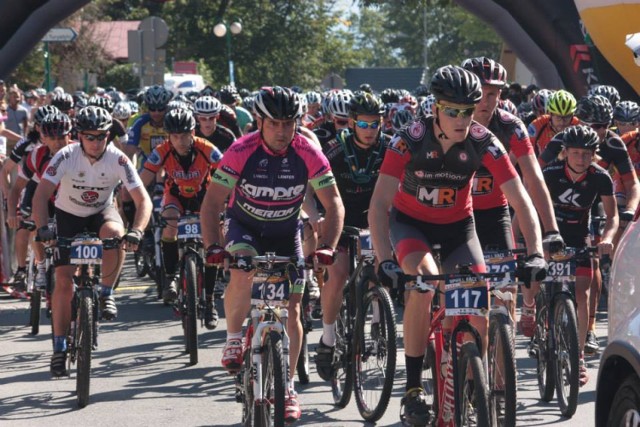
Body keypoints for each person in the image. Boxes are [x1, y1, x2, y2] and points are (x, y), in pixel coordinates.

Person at [368, 66, 546, 425]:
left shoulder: (484, 140)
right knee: (423, 286)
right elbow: (379, 204)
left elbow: (521, 200)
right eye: (452, 110)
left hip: (459, 229)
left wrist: (537, 251)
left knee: (476, 305)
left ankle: (468, 383)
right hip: (411, 225)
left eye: (468, 110)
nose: (461, 119)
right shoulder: (409, 140)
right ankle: (415, 388)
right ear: (435, 108)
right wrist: (384, 259)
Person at [200, 86, 344, 423]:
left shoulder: (308, 151)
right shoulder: (240, 150)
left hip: (284, 233)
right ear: (260, 122)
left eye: (288, 123)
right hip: (244, 228)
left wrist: (327, 247)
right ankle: (234, 338)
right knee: (242, 268)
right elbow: (212, 201)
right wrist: (212, 246)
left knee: (292, 310)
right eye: (274, 123)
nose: (281, 131)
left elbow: (333, 203)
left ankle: (288, 386)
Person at [33, 106, 152, 377]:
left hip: (101, 212)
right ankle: (59, 346)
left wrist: (138, 231)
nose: (96, 142)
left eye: (101, 137)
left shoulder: (117, 159)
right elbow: (41, 196)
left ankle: (107, 293)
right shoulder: (65, 155)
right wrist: (43, 228)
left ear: (108, 136)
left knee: (115, 233)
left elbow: (142, 199)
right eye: (90, 137)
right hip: (68, 215)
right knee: (63, 281)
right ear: (79, 136)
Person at [461, 57, 564, 335]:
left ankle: (502, 366)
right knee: (455, 304)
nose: (485, 100)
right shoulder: (450, 124)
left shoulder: (512, 126)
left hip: (496, 214)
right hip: (455, 217)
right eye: (479, 93)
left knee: (505, 297)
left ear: (501, 94)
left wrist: (551, 230)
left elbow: (534, 179)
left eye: (492, 93)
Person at [311, 92, 389, 381]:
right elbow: (313, 185)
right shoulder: (334, 149)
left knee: (380, 273)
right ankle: (329, 339)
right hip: (341, 220)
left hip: (376, 220)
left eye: (375, 125)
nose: (370, 131)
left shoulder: (391, 147)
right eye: (364, 125)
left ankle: (381, 323)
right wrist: (316, 215)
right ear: (352, 123)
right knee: (339, 274)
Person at [542, 125, 618, 385]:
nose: (581, 159)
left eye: (587, 154)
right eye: (575, 153)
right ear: (565, 153)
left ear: (594, 155)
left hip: (579, 234)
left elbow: (612, 216)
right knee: (544, 282)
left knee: (582, 293)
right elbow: (530, 206)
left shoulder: (601, 176)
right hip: (552, 231)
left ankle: (579, 355)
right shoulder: (551, 173)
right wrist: (529, 241)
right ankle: (536, 313)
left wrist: (607, 239)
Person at [139, 108, 223, 328]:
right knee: (169, 222)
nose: (180, 140)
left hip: (203, 197)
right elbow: (142, 180)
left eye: (185, 135)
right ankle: (171, 276)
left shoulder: (207, 149)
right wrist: (139, 201)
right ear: (168, 136)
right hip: (175, 196)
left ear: (193, 132)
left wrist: (228, 203)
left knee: (211, 241)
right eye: (175, 136)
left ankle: (211, 300)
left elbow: (227, 174)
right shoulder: (162, 150)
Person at [528, 89, 579, 155]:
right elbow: (521, 150)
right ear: (550, 114)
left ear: (572, 116)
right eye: (558, 117)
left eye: (566, 117)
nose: (562, 122)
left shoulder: (578, 126)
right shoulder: (538, 124)